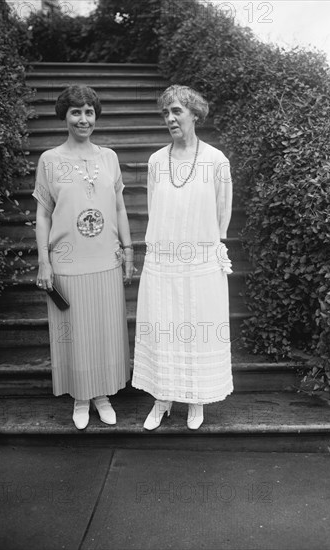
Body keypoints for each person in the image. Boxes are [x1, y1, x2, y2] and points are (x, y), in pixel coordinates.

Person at [132, 85, 233, 430]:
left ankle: (196, 398)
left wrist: (217, 247)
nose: (170, 118)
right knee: (164, 327)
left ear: (194, 114)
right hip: (163, 259)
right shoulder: (156, 161)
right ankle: (163, 399)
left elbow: (223, 210)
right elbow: (154, 209)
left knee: (197, 327)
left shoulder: (216, 160)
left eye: (176, 111)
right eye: (165, 113)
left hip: (202, 260)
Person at [33, 84, 134, 430]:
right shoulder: (49, 159)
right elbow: (44, 214)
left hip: (106, 258)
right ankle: (80, 396)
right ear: (65, 116)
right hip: (67, 261)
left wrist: (129, 249)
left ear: (96, 116)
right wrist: (44, 261)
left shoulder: (109, 157)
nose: (83, 118)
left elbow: (119, 206)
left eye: (89, 111)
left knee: (104, 330)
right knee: (74, 332)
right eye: (76, 111)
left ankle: (102, 394)